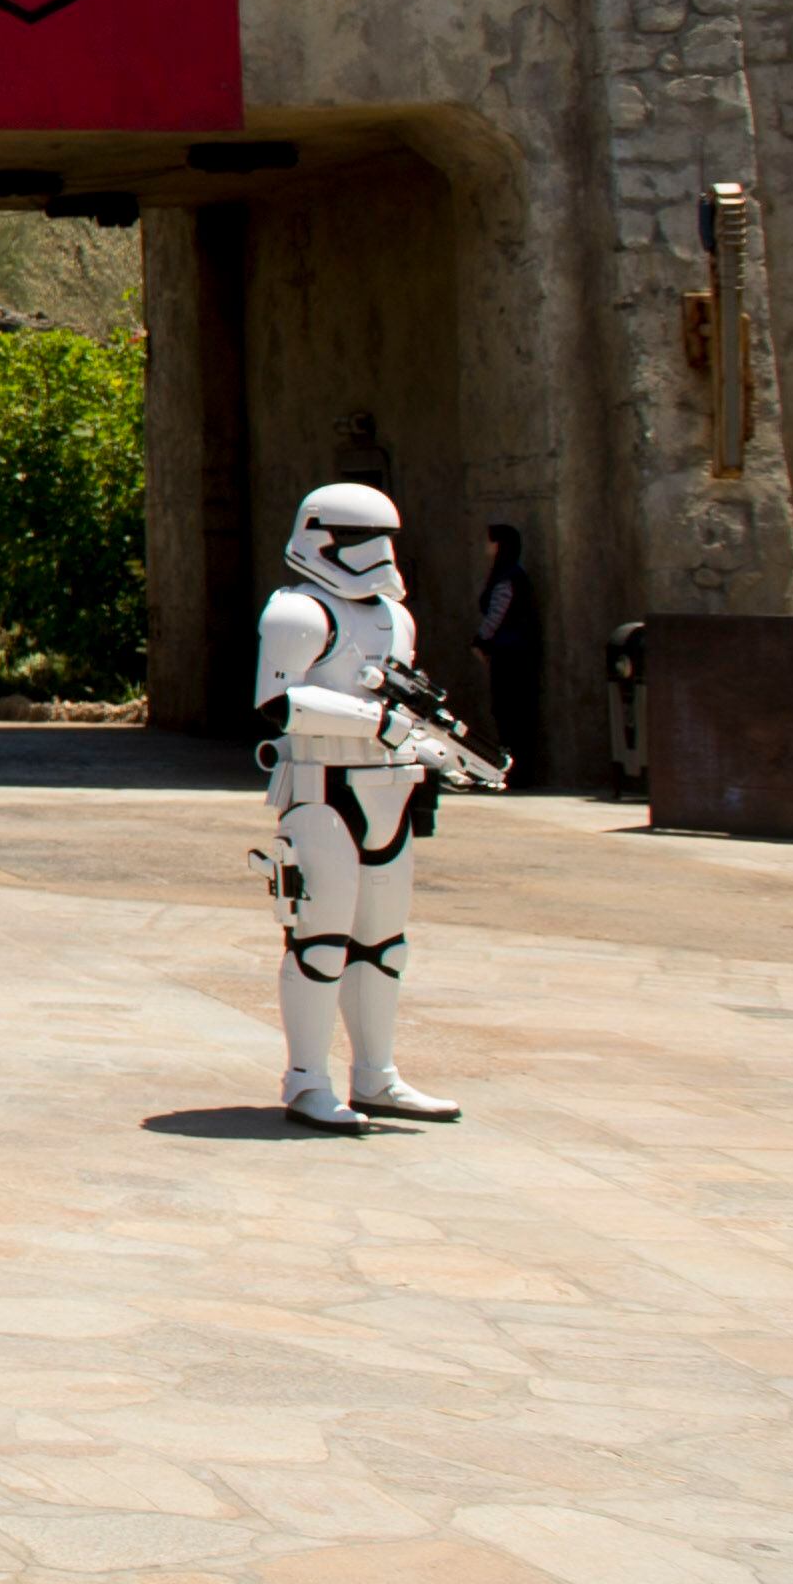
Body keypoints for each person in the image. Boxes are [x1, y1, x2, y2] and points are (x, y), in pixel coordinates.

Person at [254, 482, 491, 1133]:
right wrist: (376, 721)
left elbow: (406, 707)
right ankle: (306, 1079)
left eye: (385, 539)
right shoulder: (296, 611)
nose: (378, 554)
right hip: (322, 791)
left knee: (383, 944)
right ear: (323, 537)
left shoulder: (393, 616)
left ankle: (376, 1075)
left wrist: (430, 748)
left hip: (388, 790)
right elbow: (280, 704)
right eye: (362, 540)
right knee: (318, 937)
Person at [472, 524, 542, 786]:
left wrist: (481, 640)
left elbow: (497, 614)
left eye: (490, 541)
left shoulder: (508, 578)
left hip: (511, 656)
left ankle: (516, 771)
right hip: (512, 653)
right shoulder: (508, 575)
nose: (485, 546)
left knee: (510, 712)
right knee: (510, 712)